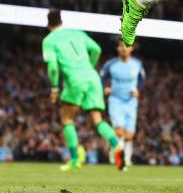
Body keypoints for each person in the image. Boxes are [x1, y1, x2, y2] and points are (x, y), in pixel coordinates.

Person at [42, 9, 125, 170]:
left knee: (67, 119)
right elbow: (96, 50)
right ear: (62, 21)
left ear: (48, 24)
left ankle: (74, 160)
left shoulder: (49, 40)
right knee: (97, 120)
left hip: (74, 79)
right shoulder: (77, 33)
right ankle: (117, 147)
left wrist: (54, 87)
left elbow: (52, 66)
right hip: (92, 77)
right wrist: (90, 67)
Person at [101, 39, 145, 168]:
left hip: (131, 101)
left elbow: (142, 79)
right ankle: (120, 158)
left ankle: (125, 156)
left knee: (129, 135)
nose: (124, 48)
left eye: (127, 46)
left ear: (131, 48)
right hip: (115, 100)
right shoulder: (111, 64)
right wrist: (105, 88)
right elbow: (102, 77)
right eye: (121, 46)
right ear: (118, 48)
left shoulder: (137, 64)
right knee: (119, 131)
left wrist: (138, 90)